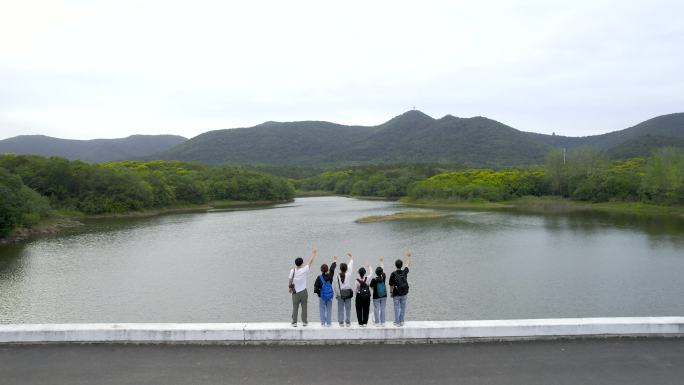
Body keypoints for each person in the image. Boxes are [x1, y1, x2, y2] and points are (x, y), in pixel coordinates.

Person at [288, 247, 317, 327]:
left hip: (295, 292)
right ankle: (304, 322)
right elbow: (310, 262)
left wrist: (290, 288)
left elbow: (290, 280)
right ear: (302, 263)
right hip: (303, 291)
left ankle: (294, 322)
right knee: (304, 307)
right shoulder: (304, 270)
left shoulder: (292, 271)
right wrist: (313, 254)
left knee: (295, 307)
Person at [389, 250, 411, 327]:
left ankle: (397, 322)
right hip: (404, 292)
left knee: (396, 308)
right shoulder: (404, 272)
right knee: (403, 307)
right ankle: (402, 321)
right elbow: (407, 265)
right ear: (401, 266)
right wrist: (408, 256)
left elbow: (391, 285)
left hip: (396, 293)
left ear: (395, 265)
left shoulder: (393, 274)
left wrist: (391, 293)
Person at [313, 256, 337, 327]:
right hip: (329, 296)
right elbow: (332, 269)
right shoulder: (330, 275)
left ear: (321, 270)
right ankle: (329, 323)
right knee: (329, 309)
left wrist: (318, 294)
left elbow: (316, 287)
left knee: (322, 309)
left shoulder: (319, 277)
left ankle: (323, 323)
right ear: (327, 270)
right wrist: (335, 261)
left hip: (322, 296)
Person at [334, 252, 354, 327]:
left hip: (340, 294)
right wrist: (351, 257)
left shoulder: (337, 276)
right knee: (348, 309)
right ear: (346, 269)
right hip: (348, 294)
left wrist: (337, 294)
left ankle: (341, 322)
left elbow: (336, 286)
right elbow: (351, 265)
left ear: (340, 269)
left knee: (340, 309)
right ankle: (348, 322)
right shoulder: (348, 274)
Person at [369, 256, 387, 326]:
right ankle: (383, 322)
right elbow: (382, 270)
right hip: (384, 295)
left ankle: (377, 322)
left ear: (376, 273)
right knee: (383, 309)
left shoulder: (374, 280)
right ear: (382, 273)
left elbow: (371, 287)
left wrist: (374, 289)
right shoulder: (384, 277)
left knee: (376, 309)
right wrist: (381, 262)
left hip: (376, 296)